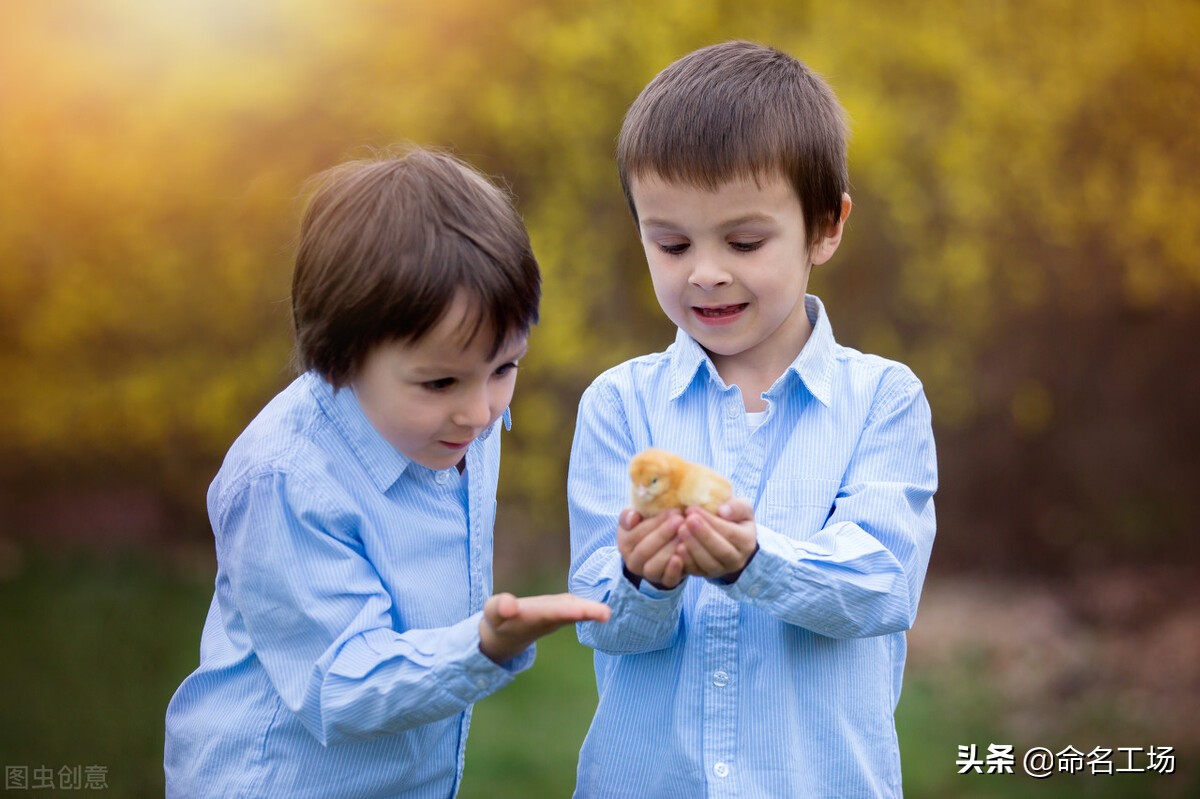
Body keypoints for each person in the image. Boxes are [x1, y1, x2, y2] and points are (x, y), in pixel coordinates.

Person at [165, 146, 610, 798]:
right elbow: (341, 681)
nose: (482, 411)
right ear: (338, 356)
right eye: (439, 381)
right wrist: (479, 645)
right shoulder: (285, 479)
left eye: (505, 367)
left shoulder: (453, 419)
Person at [568, 41, 937, 797]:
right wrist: (641, 576)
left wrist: (752, 560)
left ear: (826, 227)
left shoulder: (884, 399)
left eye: (744, 241)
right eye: (670, 242)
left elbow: (882, 585)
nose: (704, 271)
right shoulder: (620, 403)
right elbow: (600, 618)